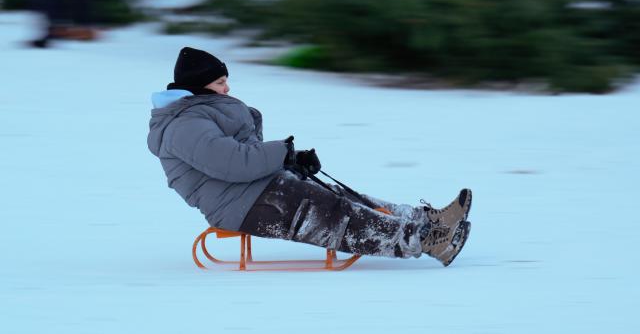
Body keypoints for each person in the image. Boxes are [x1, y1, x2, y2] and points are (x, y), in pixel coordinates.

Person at [147, 47, 472, 266]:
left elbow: (242, 156)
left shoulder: (198, 113)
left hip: (254, 189)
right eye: (220, 82)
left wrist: (290, 160)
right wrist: (283, 152)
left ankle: (427, 220)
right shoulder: (185, 125)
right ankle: (429, 242)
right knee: (332, 213)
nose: (227, 88)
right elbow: (231, 162)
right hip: (238, 205)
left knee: (342, 195)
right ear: (199, 85)